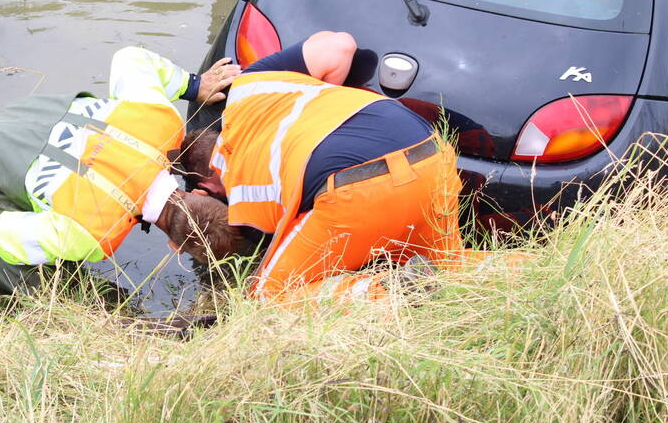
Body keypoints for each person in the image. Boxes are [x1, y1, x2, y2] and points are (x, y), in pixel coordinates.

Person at [178, 31, 463, 304]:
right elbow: (341, 45)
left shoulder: (245, 197)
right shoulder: (249, 84)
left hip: (360, 184)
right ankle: (485, 271)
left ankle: (387, 290)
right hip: (432, 152)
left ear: (205, 187)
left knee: (269, 295)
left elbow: (283, 246)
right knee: (452, 265)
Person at [0, 46, 243, 296]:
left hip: (33, 110)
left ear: (201, 193)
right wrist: (58, 239)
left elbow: (130, 58)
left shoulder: (165, 123)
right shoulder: (94, 237)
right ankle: (12, 302)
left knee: (58, 239)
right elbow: (0, 233)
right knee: (25, 270)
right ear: (174, 246)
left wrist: (194, 85)